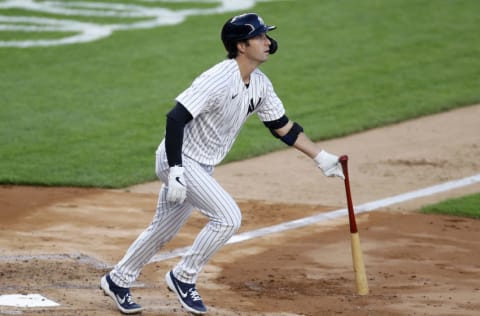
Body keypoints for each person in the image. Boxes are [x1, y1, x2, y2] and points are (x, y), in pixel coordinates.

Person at [100, 12, 344, 315]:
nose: (267, 41)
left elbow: (281, 126)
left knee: (162, 230)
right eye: (260, 36)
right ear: (241, 45)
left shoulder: (260, 84)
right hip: (180, 159)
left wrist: (320, 156)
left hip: (201, 166)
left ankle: (118, 279)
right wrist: (175, 170)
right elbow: (175, 118)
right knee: (228, 218)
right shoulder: (218, 78)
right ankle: (183, 276)